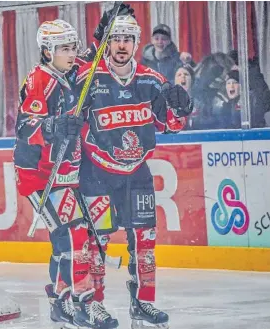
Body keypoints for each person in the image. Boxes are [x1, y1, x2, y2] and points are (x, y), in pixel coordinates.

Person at [12, 15, 140, 329]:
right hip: (40, 175)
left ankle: (59, 301)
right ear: (47, 52)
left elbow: (93, 58)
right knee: (71, 236)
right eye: (64, 49)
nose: (71, 53)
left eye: (73, 47)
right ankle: (76, 301)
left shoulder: (70, 72)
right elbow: (24, 126)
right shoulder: (40, 79)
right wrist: (52, 126)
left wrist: (104, 32)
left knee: (66, 238)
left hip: (65, 172)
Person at [76, 15, 193, 329]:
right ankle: (94, 304)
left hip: (136, 172)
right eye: (116, 39)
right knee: (97, 241)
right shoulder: (89, 79)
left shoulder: (151, 81)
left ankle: (143, 303)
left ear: (136, 43)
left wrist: (182, 110)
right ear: (108, 43)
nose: (122, 45)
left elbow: (169, 125)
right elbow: (64, 106)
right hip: (96, 173)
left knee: (145, 241)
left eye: (128, 39)